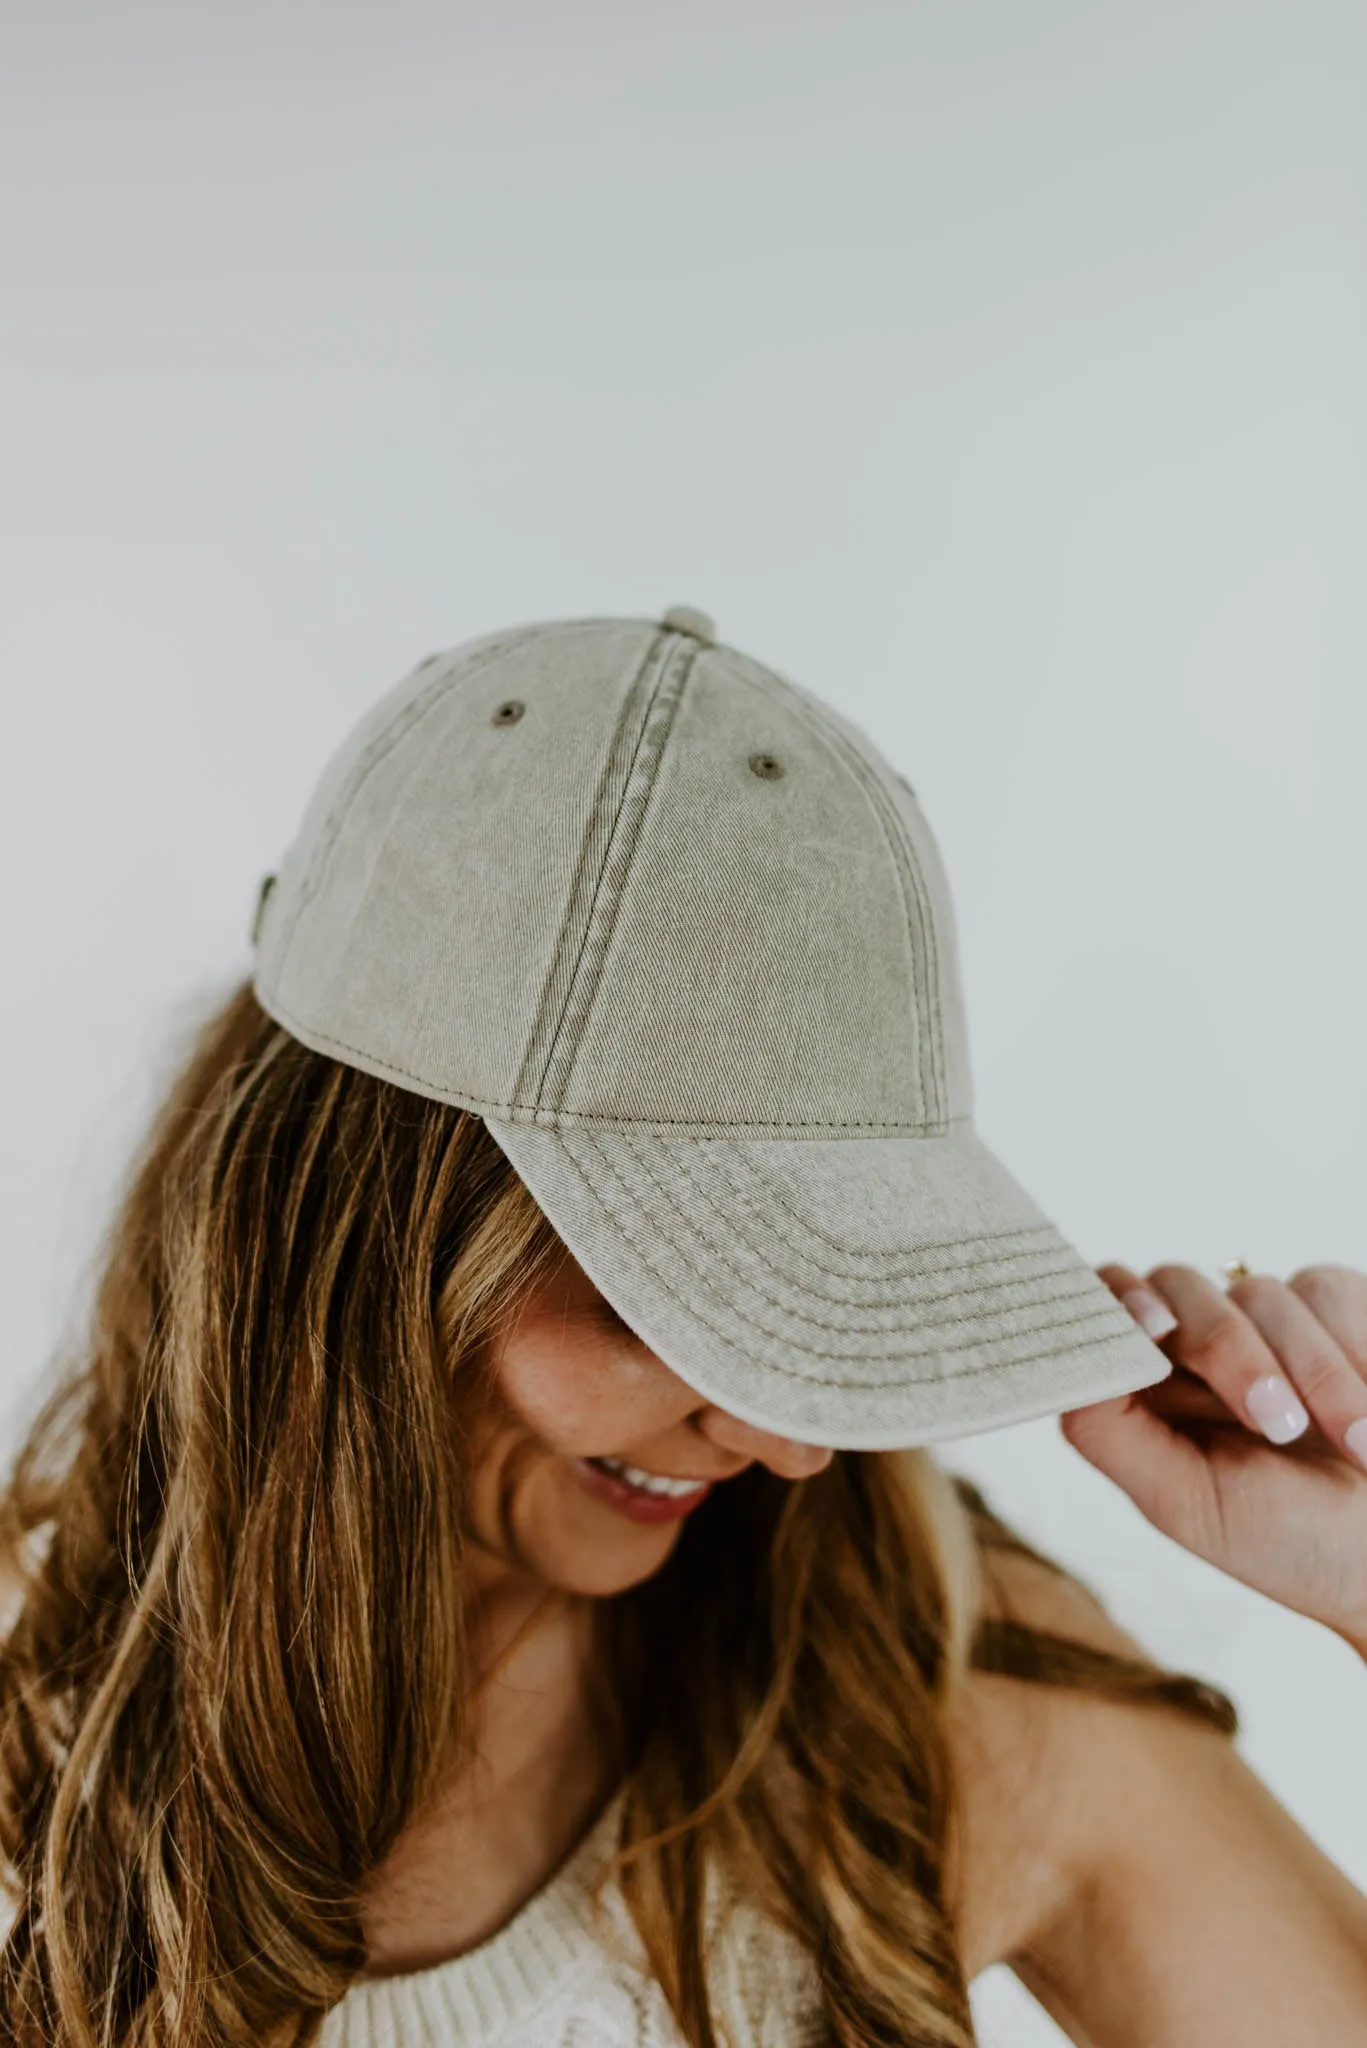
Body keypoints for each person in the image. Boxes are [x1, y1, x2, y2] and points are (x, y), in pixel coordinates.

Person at [0, 608, 1363, 2047]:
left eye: (822, 1293)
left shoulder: (923, 1678)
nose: (787, 1443)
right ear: (347, 1243)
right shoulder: (31, 1712)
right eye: (671, 1296)